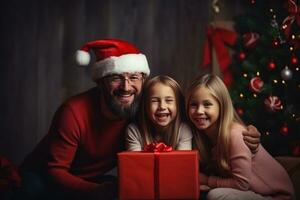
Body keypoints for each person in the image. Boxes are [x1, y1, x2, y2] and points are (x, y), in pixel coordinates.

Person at [15, 39, 261, 200]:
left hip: (92, 181)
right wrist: (98, 191)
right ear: (101, 81)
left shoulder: (143, 107)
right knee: (33, 191)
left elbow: (200, 121)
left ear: (143, 81)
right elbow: (55, 170)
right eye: (116, 78)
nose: (126, 86)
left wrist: (245, 133)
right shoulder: (74, 112)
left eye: (134, 77)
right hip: (45, 178)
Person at [185, 74, 295, 200]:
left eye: (207, 104)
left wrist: (207, 181)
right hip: (249, 192)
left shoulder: (235, 135)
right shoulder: (201, 135)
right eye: (193, 104)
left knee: (215, 195)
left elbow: (241, 184)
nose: (199, 111)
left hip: (276, 196)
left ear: (221, 106)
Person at [126, 75, 192, 151]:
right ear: (145, 105)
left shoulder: (183, 130)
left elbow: (182, 161)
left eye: (168, 100)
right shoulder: (134, 131)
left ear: (178, 104)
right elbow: (135, 162)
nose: (162, 106)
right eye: (155, 101)